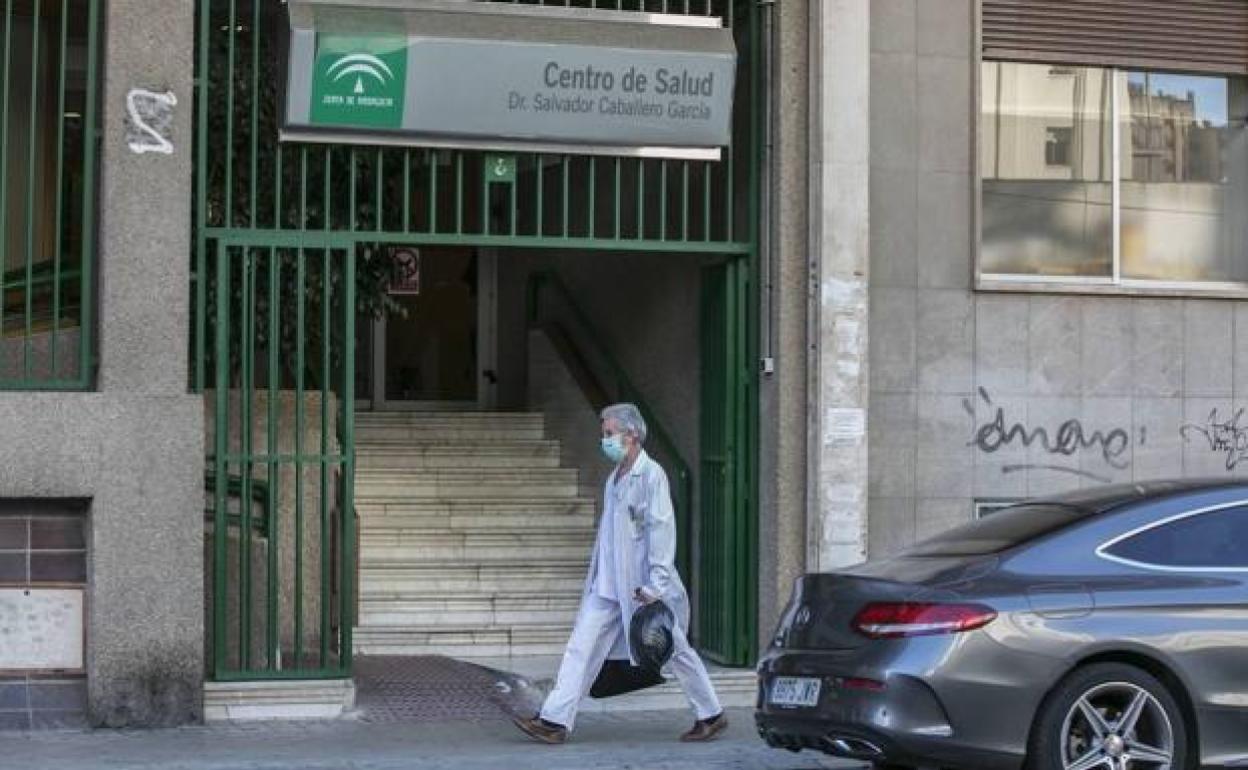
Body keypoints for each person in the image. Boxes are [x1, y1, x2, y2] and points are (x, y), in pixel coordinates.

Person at [513, 403, 727, 745]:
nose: (605, 440)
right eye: (604, 434)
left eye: (609, 434)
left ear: (632, 435)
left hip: (641, 586)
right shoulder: (615, 479)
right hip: (608, 586)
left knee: (674, 649)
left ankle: (711, 714)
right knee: (581, 648)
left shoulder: (651, 475)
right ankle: (555, 721)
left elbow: (661, 529)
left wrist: (656, 585)